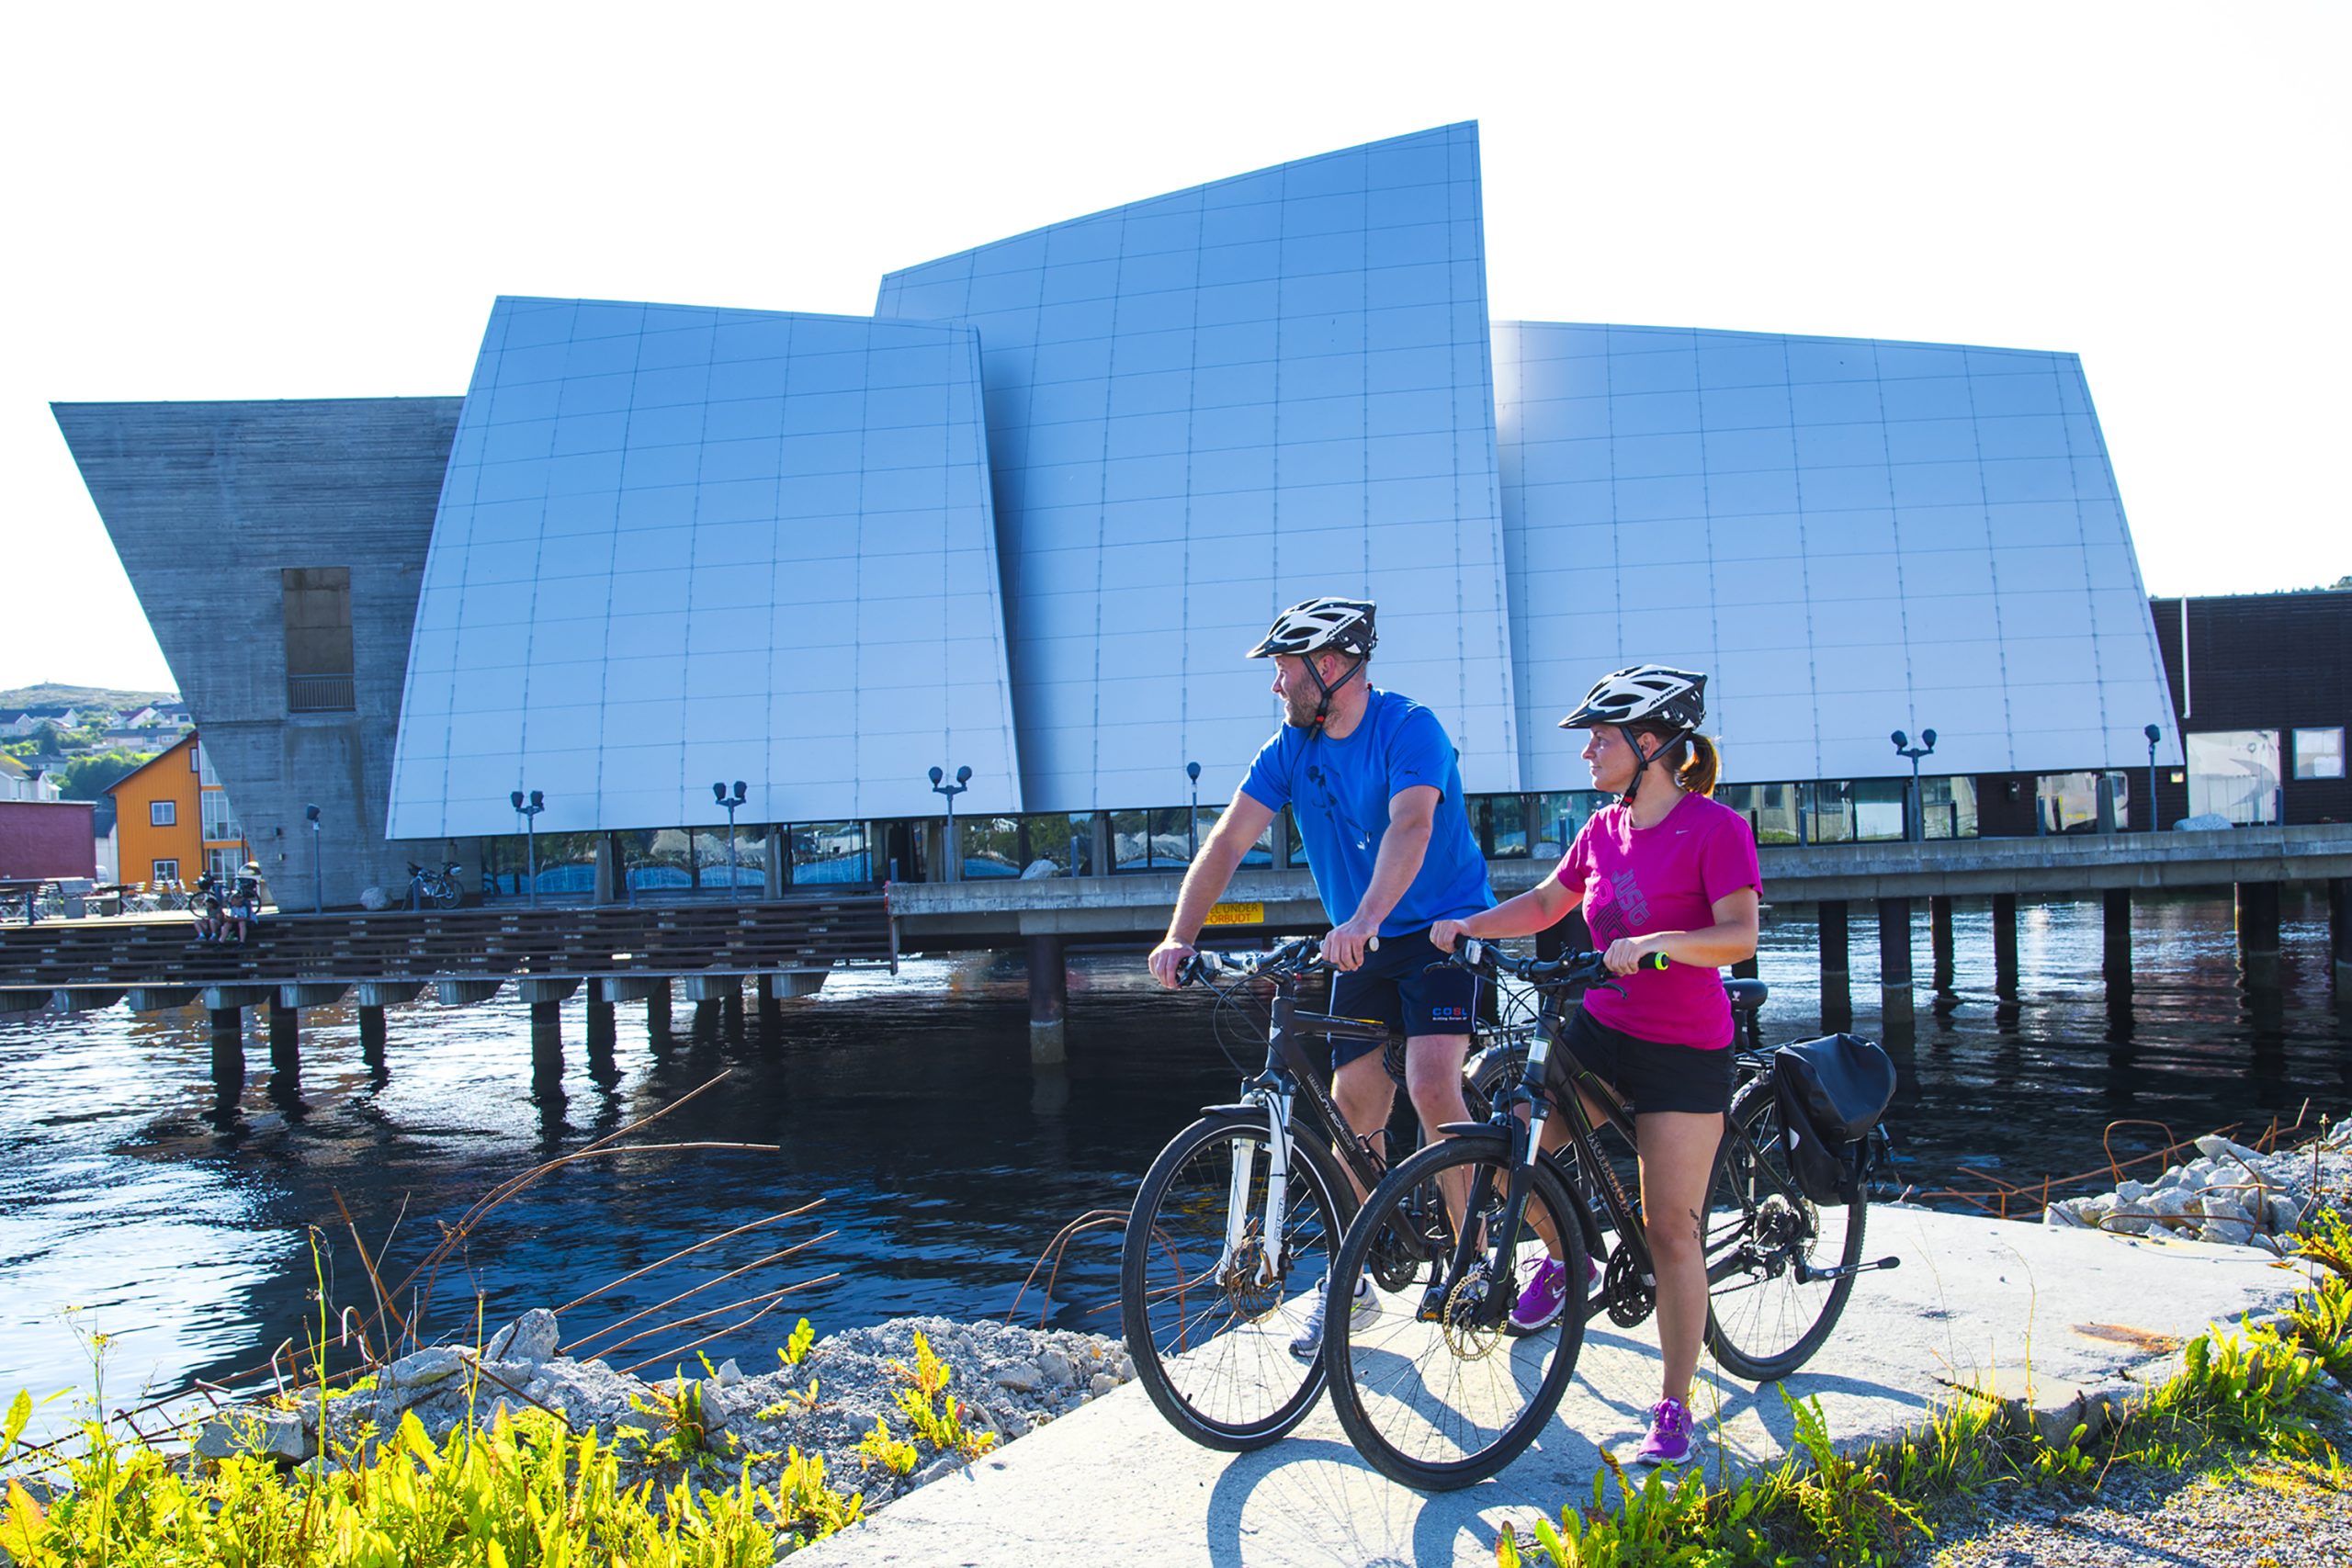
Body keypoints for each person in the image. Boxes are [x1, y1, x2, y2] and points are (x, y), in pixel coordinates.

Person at [1430, 664, 1758, 1468]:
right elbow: (1549, 901)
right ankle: (1560, 1252)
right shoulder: (1602, 829)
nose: (1587, 755)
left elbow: (1738, 935)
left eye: (1600, 740)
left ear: (1650, 745)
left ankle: (1676, 1404)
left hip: (1684, 1051)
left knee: (1669, 1229)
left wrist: (1658, 944)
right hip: (1605, 1032)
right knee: (1508, 1139)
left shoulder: (1716, 829)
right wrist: (1471, 924)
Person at [1148, 595, 1494, 1358]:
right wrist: (1181, 933)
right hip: (1362, 944)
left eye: (1283, 669)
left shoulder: (1409, 728)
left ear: (1328, 668)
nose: (1277, 686)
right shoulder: (1289, 747)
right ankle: (1356, 1275)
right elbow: (1229, 840)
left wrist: (1365, 920)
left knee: (1436, 1086)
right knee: (1350, 1111)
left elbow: (1412, 827)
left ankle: (1470, 1265)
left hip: (1441, 928)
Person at [226, 862, 265, 943]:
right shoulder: (233, 907)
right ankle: (221, 941)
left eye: (233, 901)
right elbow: (232, 917)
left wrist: (235, 919)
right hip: (239, 921)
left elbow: (247, 918)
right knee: (227, 924)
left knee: (241, 923)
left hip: (250, 922)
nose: (232, 904)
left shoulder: (245, 906)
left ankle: (242, 942)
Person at [188, 872, 224, 944]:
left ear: (211, 904)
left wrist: (212, 918)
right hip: (209, 923)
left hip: (216, 923)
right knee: (197, 921)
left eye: (208, 904)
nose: (206, 905)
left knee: (212, 921)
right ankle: (201, 935)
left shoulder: (218, 909)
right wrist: (205, 919)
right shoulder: (208, 909)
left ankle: (214, 935)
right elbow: (209, 917)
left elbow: (220, 919)